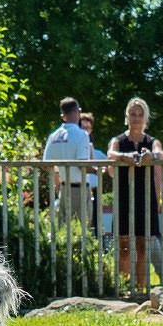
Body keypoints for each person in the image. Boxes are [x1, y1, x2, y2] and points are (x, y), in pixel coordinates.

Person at [107, 98, 163, 292]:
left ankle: (141, 289)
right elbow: (111, 153)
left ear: (145, 118)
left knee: (143, 245)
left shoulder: (151, 142)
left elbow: (160, 154)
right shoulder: (118, 141)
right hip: (124, 196)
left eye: (140, 114)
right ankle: (124, 287)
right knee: (124, 243)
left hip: (145, 197)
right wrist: (125, 157)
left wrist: (151, 156)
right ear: (127, 116)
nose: (136, 118)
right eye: (133, 114)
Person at [42, 96, 93, 232]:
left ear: (62, 116)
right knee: (83, 230)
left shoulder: (53, 136)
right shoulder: (82, 135)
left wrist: (58, 179)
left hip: (64, 189)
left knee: (64, 230)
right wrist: (96, 170)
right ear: (79, 112)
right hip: (80, 188)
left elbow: (46, 165)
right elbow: (82, 164)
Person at [80, 111, 108, 231]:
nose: (85, 130)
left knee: (96, 221)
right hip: (78, 188)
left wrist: (102, 170)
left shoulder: (96, 152)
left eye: (88, 128)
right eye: (83, 127)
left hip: (93, 190)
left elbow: (108, 164)